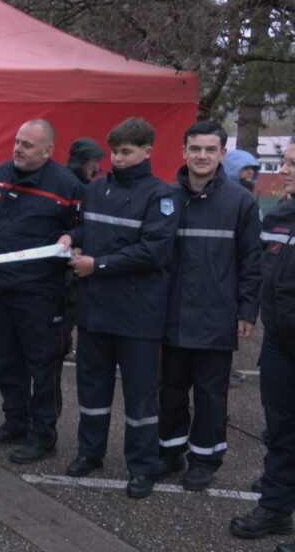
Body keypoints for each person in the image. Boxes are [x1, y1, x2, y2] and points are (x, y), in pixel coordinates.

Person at [58, 117, 179, 499]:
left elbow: (153, 251)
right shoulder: (96, 190)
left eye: (126, 152)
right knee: (92, 390)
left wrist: (99, 265)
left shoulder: (162, 196)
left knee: (141, 397)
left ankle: (142, 467)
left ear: (147, 151)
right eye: (114, 152)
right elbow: (90, 231)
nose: (118, 159)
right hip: (95, 311)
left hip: (138, 314)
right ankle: (90, 452)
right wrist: (71, 237)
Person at [156, 121, 262, 491]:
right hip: (171, 316)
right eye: (195, 149)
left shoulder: (241, 202)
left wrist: (247, 310)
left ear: (222, 154)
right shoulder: (165, 198)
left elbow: (252, 262)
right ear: (184, 151)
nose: (202, 156)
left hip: (216, 317)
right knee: (169, 388)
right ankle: (169, 452)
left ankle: (204, 458)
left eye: (210, 150)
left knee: (210, 394)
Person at [0, 119, 83, 465]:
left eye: (27, 145)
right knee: (6, 360)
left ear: (48, 151)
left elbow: (83, 228)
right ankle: (15, 421)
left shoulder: (67, 185)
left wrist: (73, 239)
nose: (18, 149)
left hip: (40, 293)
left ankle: (43, 434)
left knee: (43, 366)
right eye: (17, 141)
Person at [230, 142, 295, 548]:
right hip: (279, 344)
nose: (284, 170)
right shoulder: (281, 214)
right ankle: (276, 508)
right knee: (281, 430)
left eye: (292, 164)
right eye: (288, 161)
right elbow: (260, 271)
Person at [62, 137, 106, 358]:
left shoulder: (80, 185)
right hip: (68, 257)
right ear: (82, 161)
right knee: (69, 303)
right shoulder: (74, 186)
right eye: (93, 162)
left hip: (74, 255)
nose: (98, 168)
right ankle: (64, 343)